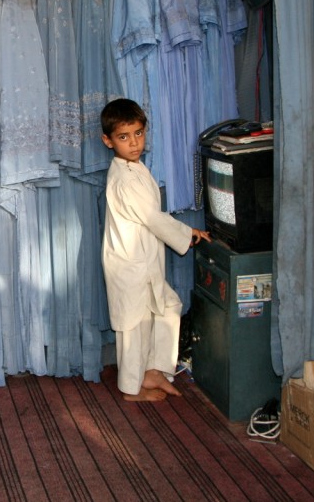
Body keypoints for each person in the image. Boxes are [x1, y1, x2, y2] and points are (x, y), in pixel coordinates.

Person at [100, 98, 211, 402]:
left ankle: (152, 371)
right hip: (129, 264)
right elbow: (151, 218)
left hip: (143, 261)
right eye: (124, 137)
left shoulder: (135, 168)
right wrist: (189, 234)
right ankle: (131, 388)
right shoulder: (124, 178)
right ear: (108, 141)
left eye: (138, 134)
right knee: (133, 325)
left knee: (166, 307)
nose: (134, 143)